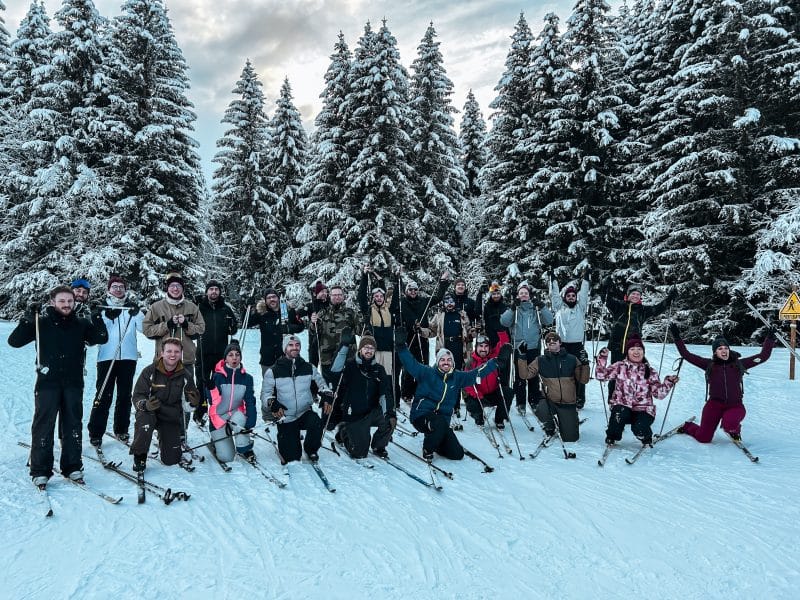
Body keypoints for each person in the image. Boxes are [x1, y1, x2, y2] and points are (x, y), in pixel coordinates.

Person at [9, 286, 108, 486]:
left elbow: (101, 338)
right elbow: (15, 341)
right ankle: (40, 469)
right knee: (44, 425)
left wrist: (97, 317)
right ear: (53, 302)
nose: (66, 305)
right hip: (48, 382)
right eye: (62, 301)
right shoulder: (42, 322)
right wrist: (27, 318)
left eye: (70, 301)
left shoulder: (81, 324)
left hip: (73, 382)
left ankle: (72, 466)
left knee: (73, 424)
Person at [395, 326, 501, 461]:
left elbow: (476, 374)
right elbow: (411, 364)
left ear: (452, 362)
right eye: (442, 360)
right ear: (438, 362)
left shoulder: (457, 377)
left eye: (449, 360)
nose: (446, 362)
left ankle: (436, 438)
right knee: (437, 422)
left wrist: (495, 362)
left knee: (456, 454)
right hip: (421, 415)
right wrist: (401, 346)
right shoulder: (427, 373)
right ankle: (428, 448)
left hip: (442, 421)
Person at [669, 324, 775, 442]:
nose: (724, 350)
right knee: (703, 438)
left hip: (735, 405)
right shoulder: (709, 365)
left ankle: (734, 430)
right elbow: (686, 355)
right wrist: (677, 337)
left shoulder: (739, 364)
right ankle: (688, 426)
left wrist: (770, 339)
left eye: (726, 348)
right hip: (714, 405)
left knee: (729, 423)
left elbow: (763, 356)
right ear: (715, 352)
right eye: (720, 349)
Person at [87, 275, 144, 446]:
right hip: (106, 357)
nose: (118, 289)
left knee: (125, 395)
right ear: (109, 289)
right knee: (103, 394)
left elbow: (143, 328)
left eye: (121, 286)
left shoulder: (131, 310)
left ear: (125, 290)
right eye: (115, 286)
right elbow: (94, 335)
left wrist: (138, 313)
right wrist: (97, 315)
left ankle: (122, 429)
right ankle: (96, 431)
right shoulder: (102, 309)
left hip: (128, 358)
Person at [130, 337, 201, 471]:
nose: (172, 355)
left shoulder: (186, 375)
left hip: (170, 416)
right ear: (162, 353)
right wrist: (145, 405)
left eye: (176, 351)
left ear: (181, 353)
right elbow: (138, 395)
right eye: (169, 351)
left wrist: (193, 403)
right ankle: (140, 455)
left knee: (171, 460)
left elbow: (186, 405)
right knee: (144, 421)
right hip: (151, 413)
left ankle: (166, 442)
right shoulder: (150, 371)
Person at [261, 335, 334, 463]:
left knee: (316, 421)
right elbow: (265, 394)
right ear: (285, 348)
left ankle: (311, 449)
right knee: (292, 457)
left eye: (297, 345)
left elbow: (322, 384)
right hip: (285, 416)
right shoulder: (273, 371)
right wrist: (272, 403)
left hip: (303, 412)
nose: (295, 348)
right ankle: (289, 440)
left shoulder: (308, 367)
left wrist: (327, 396)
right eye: (291, 345)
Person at [595, 335, 678, 446]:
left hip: (643, 409)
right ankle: (612, 436)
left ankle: (646, 437)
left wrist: (669, 382)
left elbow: (659, 394)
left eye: (639, 349)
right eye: (632, 349)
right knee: (618, 414)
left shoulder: (650, 371)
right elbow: (601, 376)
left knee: (639, 428)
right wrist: (602, 359)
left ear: (643, 352)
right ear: (627, 352)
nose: (636, 352)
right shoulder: (620, 366)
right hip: (623, 405)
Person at [602, 278, 676, 397]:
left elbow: (658, 308)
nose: (635, 296)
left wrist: (669, 299)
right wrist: (606, 287)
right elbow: (606, 299)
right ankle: (613, 399)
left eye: (638, 294)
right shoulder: (619, 306)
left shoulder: (642, 310)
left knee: (633, 375)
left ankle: (630, 400)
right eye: (633, 294)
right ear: (628, 295)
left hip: (633, 349)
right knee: (615, 375)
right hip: (617, 347)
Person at [331, 330, 396, 459]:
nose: (369, 350)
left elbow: (384, 393)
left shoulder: (379, 369)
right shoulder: (350, 365)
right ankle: (344, 432)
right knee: (359, 453)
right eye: (366, 347)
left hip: (371, 411)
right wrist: (344, 345)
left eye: (372, 348)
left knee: (390, 420)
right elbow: (335, 369)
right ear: (360, 349)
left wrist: (388, 412)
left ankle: (378, 445)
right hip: (354, 413)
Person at [516, 332, 590, 441]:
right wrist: (522, 356)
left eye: (554, 341)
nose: (551, 342)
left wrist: (585, 364)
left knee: (570, 438)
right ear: (546, 345)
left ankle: (570, 420)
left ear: (560, 343)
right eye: (548, 342)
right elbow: (524, 375)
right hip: (550, 400)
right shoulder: (540, 360)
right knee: (540, 408)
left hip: (567, 402)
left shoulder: (572, 359)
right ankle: (549, 427)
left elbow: (583, 379)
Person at [500, 282, 555, 414]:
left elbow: (549, 320)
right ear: (518, 295)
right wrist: (512, 308)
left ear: (529, 295)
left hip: (533, 346)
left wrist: (542, 307)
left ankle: (534, 400)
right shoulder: (515, 308)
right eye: (521, 293)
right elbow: (504, 322)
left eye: (526, 293)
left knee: (533, 375)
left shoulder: (534, 308)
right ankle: (520, 403)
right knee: (520, 376)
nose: (523, 295)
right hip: (519, 347)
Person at [398, 274, 448, 401]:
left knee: (423, 365)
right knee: (409, 367)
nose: (413, 292)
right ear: (406, 291)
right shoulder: (402, 302)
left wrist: (442, 282)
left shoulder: (423, 301)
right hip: (409, 337)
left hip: (422, 336)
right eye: (410, 290)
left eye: (415, 289)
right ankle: (406, 392)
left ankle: (420, 390)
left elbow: (438, 297)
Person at [195, 279, 239, 425]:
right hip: (203, 351)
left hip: (221, 353)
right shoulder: (199, 307)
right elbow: (191, 325)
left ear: (220, 292)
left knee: (218, 384)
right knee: (201, 382)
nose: (214, 292)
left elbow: (233, 328)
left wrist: (233, 326)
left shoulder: (225, 309)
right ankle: (200, 411)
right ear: (206, 291)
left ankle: (217, 410)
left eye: (216, 289)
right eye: (211, 289)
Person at [207, 341, 257, 462]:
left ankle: (245, 447)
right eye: (230, 355)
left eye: (237, 354)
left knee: (240, 419)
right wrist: (210, 389)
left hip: (235, 415)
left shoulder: (247, 378)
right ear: (225, 359)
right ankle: (217, 440)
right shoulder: (217, 377)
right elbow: (212, 401)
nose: (234, 357)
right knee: (226, 457)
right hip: (219, 417)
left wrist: (250, 421)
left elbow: (250, 401)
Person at [142, 272, 205, 367]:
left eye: (178, 285)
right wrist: (166, 325)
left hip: (185, 361)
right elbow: (147, 330)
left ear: (183, 288)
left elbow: (201, 329)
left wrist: (187, 325)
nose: (175, 288)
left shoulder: (192, 307)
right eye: (172, 285)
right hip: (162, 361)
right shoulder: (156, 307)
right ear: (167, 287)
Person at [357, 265, 401, 403]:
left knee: (387, 376)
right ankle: (372, 399)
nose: (378, 297)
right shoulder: (368, 310)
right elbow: (361, 296)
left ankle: (389, 400)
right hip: (373, 349)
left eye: (381, 295)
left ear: (383, 297)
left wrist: (397, 278)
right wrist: (365, 276)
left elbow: (396, 295)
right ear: (373, 298)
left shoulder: (390, 309)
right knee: (373, 374)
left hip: (387, 349)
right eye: (376, 296)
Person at [549, 267, 591, 408]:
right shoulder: (559, 307)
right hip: (562, 346)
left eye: (573, 296)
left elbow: (584, 294)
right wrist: (553, 280)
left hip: (577, 345)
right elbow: (554, 294)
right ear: (565, 297)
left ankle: (579, 399)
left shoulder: (581, 308)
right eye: (569, 296)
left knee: (580, 372)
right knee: (563, 372)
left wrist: (586, 279)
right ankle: (563, 395)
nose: (571, 297)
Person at [309, 284, 359, 387]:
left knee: (348, 386)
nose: (337, 297)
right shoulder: (322, 313)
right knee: (330, 387)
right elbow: (314, 332)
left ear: (343, 296)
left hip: (347, 357)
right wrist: (313, 323)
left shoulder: (351, 313)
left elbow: (360, 330)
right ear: (330, 296)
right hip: (328, 358)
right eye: (334, 295)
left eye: (340, 294)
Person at [249, 287, 304, 376]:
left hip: (287, 355)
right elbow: (247, 322)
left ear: (278, 298)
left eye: (274, 297)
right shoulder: (261, 313)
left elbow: (301, 326)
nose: (272, 299)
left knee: (288, 384)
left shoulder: (289, 311)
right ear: (265, 300)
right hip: (268, 358)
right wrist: (247, 307)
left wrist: (290, 328)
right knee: (269, 386)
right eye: (269, 298)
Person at [463, 332, 513, 429]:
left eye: (486, 346)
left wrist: (500, 330)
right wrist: (478, 395)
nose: (483, 349)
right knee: (471, 403)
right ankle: (479, 418)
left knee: (508, 392)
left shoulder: (493, 357)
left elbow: (504, 343)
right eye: (481, 346)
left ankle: (499, 419)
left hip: (493, 393)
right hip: (478, 395)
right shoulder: (471, 363)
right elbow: (467, 384)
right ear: (476, 347)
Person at [301, 280, 330, 367]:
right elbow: (298, 315)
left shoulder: (329, 304)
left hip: (328, 342)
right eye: (322, 291)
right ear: (316, 293)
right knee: (312, 368)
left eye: (325, 291)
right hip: (314, 341)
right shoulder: (310, 305)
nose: (324, 293)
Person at [475, 281, 509, 346]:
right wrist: (480, 294)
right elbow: (477, 312)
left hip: (503, 337)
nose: (496, 296)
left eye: (498, 293)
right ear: (491, 295)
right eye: (494, 294)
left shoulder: (505, 306)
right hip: (490, 337)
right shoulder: (487, 306)